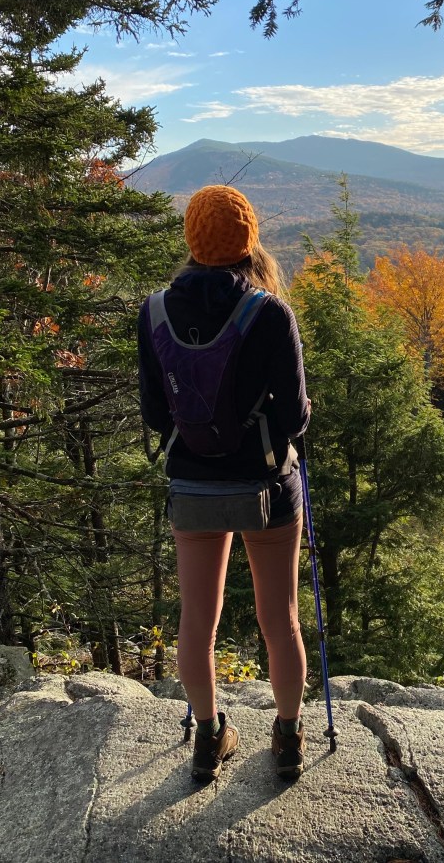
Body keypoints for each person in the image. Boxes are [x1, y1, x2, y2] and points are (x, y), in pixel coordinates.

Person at [137, 185, 311, 783]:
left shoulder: (155, 310)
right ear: (249, 240)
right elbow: (294, 420)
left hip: (193, 486)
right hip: (267, 487)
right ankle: (287, 739)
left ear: (191, 240)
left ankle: (208, 739)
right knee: (280, 618)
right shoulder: (269, 312)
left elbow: (158, 416)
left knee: (197, 620)